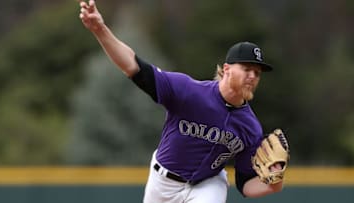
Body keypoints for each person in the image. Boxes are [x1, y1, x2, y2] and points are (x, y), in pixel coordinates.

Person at [79, 1, 285, 202]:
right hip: (163, 183)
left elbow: (245, 186)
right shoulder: (189, 92)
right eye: (247, 69)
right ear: (227, 70)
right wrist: (100, 29)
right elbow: (134, 67)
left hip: (207, 184)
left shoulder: (250, 127)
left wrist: (274, 183)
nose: (253, 76)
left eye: (257, 73)